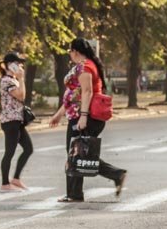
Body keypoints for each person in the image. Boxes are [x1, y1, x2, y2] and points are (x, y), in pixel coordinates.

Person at [49, 37, 126, 202]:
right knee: (78, 154)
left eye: (70, 51)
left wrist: (83, 117)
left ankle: (77, 193)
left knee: (76, 154)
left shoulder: (85, 67)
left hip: (86, 116)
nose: (69, 54)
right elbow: (74, 95)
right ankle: (112, 176)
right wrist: (60, 113)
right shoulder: (83, 66)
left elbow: (87, 92)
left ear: (75, 51)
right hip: (79, 115)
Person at [0, 52, 33, 192]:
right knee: (9, 152)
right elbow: (21, 96)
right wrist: (21, 78)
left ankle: (16, 179)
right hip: (10, 121)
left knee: (28, 149)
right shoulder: (6, 81)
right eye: (17, 63)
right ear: (9, 65)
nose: (20, 66)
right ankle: (5, 184)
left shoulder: (14, 80)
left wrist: (20, 79)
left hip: (17, 121)